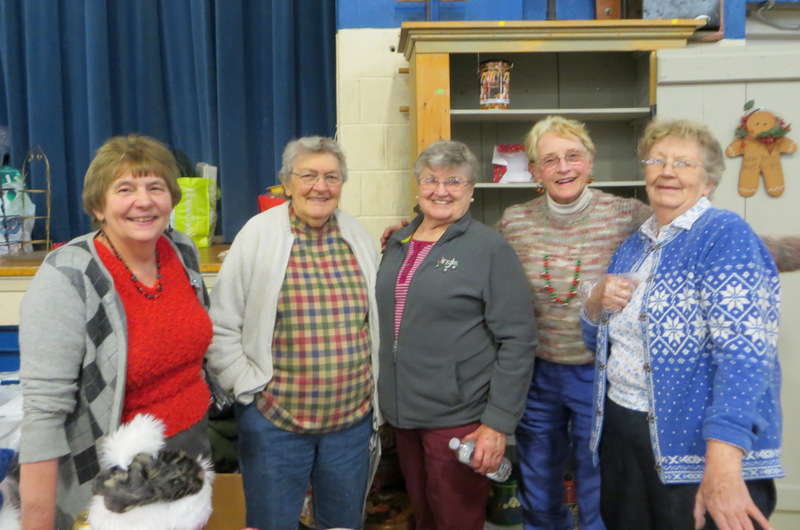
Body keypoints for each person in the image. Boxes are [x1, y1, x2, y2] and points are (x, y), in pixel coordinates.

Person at [581, 119, 783, 529]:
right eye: (658, 160)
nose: (667, 171)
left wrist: (724, 462)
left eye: (684, 163)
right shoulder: (634, 245)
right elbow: (599, 343)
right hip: (623, 433)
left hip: (694, 444)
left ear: (708, 182)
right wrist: (594, 303)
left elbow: (746, 355)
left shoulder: (725, 235)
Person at [18, 134, 212, 529]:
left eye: (155, 187)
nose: (144, 201)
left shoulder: (180, 250)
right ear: (98, 206)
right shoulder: (67, 276)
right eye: (125, 189)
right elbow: (44, 413)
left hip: (191, 454)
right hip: (117, 476)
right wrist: (37, 519)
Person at [205, 136, 380, 530]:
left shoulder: (357, 236)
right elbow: (220, 325)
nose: (321, 186)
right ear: (286, 183)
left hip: (349, 426)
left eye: (332, 176)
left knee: (342, 524)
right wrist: (245, 385)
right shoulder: (257, 235)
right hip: (274, 424)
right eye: (309, 175)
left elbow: (375, 322)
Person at [496, 115, 651, 530]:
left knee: (596, 480)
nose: (563, 168)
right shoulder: (515, 222)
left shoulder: (627, 214)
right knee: (538, 482)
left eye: (573, 156)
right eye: (550, 160)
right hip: (537, 372)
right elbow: (475, 259)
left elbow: (689, 237)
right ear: (534, 171)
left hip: (599, 371)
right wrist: (414, 234)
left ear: (590, 162)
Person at [377, 140, 537, 530]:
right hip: (402, 415)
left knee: (456, 520)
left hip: (458, 418)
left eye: (454, 181)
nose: (441, 190)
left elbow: (518, 339)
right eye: (431, 179)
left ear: (470, 190)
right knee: (425, 516)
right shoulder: (399, 242)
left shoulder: (489, 248)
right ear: (418, 186)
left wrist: (497, 423)